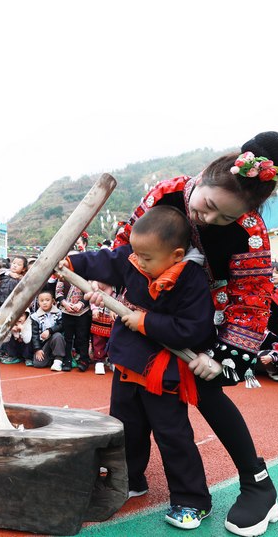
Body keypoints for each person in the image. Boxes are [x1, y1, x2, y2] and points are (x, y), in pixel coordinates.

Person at [113, 131, 278, 536]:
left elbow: (253, 297)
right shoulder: (165, 193)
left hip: (204, 316)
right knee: (131, 396)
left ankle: (258, 485)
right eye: (209, 205)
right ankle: (130, 475)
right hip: (149, 308)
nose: (208, 219)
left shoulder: (251, 232)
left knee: (206, 390)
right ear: (205, 176)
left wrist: (225, 356)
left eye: (223, 217)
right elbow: (128, 244)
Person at [68, 205, 216, 529]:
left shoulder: (190, 278)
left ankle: (193, 500)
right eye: (135, 253)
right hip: (127, 364)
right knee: (125, 430)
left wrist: (145, 321)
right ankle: (130, 480)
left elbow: (195, 329)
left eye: (146, 257)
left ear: (176, 255)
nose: (137, 261)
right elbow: (104, 260)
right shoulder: (135, 258)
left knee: (173, 437)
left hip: (163, 373)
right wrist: (68, 262)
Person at [56, 252, 92, 372]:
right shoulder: (63, 276)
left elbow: (89, 292)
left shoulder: (86, 275)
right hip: (67, 311)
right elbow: (59, 292)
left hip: (82, 312)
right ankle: (67, 360)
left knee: (82, 337)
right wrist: (65, 304)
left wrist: (80, 304)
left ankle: (84, 359)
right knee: (68, 338)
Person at [30, 289, 66, 371]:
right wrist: (37, 349)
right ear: (38, 303)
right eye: (42, 300)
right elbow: (34, 334)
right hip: (43, 344)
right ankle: (51, 358)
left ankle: (58, 360)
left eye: (47, 300)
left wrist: (49, 331)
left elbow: (61, 326)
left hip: (56, 340)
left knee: (58, 336)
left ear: (53, 301)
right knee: (38, 364)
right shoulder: (35, 316)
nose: (44, 302)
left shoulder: (58, 313)